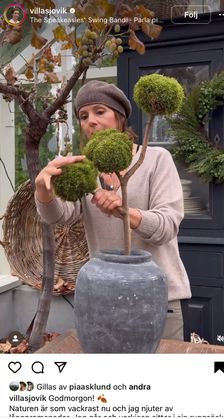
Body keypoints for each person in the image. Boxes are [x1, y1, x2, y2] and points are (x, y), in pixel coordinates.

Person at [35, 80, 191, 341]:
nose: (90, 121)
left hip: (159, 299)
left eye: (99, 111)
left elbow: (167, 226)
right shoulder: (85, 170)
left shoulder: (155, 159)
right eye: (83, 116)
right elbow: (59, 216)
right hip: (105, 300)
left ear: (120, 118)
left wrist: (124, 211)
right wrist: (43, 189)